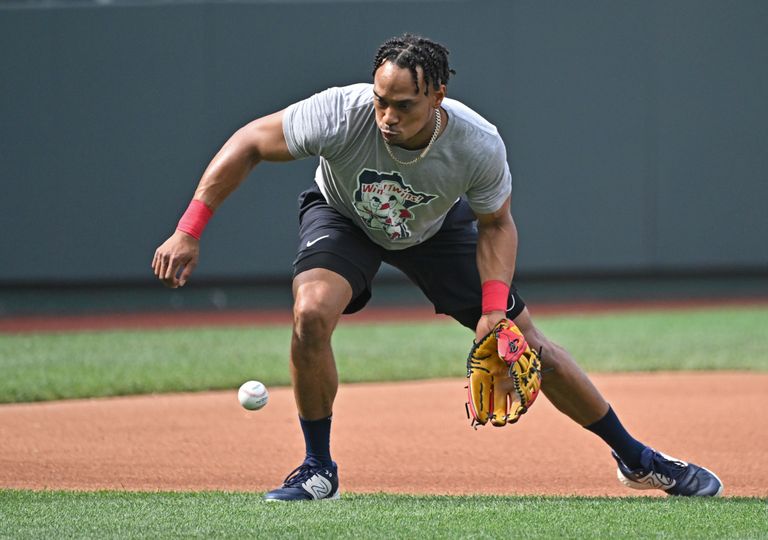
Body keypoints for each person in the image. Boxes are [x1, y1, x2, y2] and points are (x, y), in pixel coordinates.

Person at [152, 34, 723, 500]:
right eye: (381, 100)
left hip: (432, 227)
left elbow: (496, 225)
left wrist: (494, 314)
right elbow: (251, 141)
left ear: (439, 98)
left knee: (529, 347)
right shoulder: (340, 113)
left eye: (404, 105)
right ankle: (317, 469)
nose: (387, 116)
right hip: (344, 213)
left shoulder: (476, 144)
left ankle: (638, 459)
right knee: (310, 315)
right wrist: (188, 228)